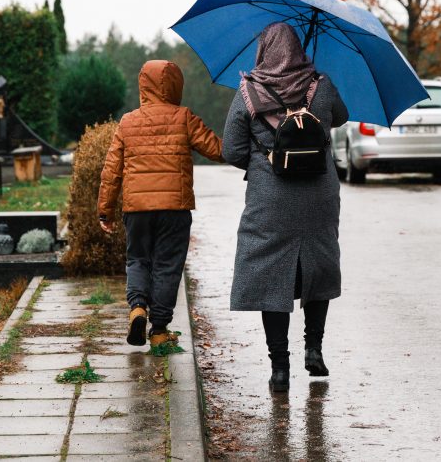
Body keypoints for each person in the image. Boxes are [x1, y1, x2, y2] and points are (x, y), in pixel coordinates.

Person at [221, 22, 349, 392]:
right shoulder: (319, 85)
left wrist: (263, 163)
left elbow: (231, 150)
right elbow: (339, 117)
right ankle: (314, 348)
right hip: (319, 195)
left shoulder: (248, 90)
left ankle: (280, 369)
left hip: (269, 198)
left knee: (270, 274)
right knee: (318, 265)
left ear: (264, 50)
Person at [97, 60, 223, 348]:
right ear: (176, 86)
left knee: (138, 259)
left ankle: (138, 307)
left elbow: (112, 169)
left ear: (143, 86)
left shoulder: (127, 122)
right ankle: (159, 331)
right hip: (174, 209)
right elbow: (215, 149)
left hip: (137, 209)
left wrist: (105, 210)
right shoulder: (184, 117)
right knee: (167, 266)